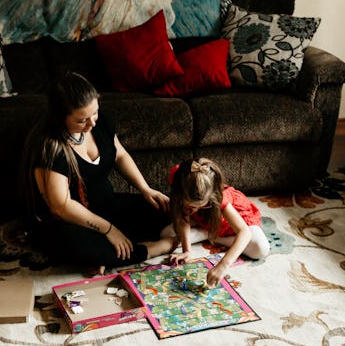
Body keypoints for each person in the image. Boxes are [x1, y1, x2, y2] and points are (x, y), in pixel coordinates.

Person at [20, 72, 175, 273]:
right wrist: (109, 230)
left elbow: (120, 155)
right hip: (69, 221)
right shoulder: (50, 148)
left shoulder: (97, 123)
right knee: (79, 246)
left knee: (167, 208)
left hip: (106, 205)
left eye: (95, 112)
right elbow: (61, 207)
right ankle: (153, 249)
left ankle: (109, 255)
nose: (92, 123)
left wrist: (145, 188)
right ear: (60, 118)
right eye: (81, 120)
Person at [162, 158, 270, 287]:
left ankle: (211, 235)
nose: (192, 210)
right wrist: (187, 251)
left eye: (197, 206)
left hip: (234, 223)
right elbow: (183, 216)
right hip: (206, 223)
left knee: (261, 249)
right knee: (166, 234)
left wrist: (223, 265)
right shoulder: (181, 182)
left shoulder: (221, 197)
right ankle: (209, 234)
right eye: (189, 207)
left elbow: (244, 232)